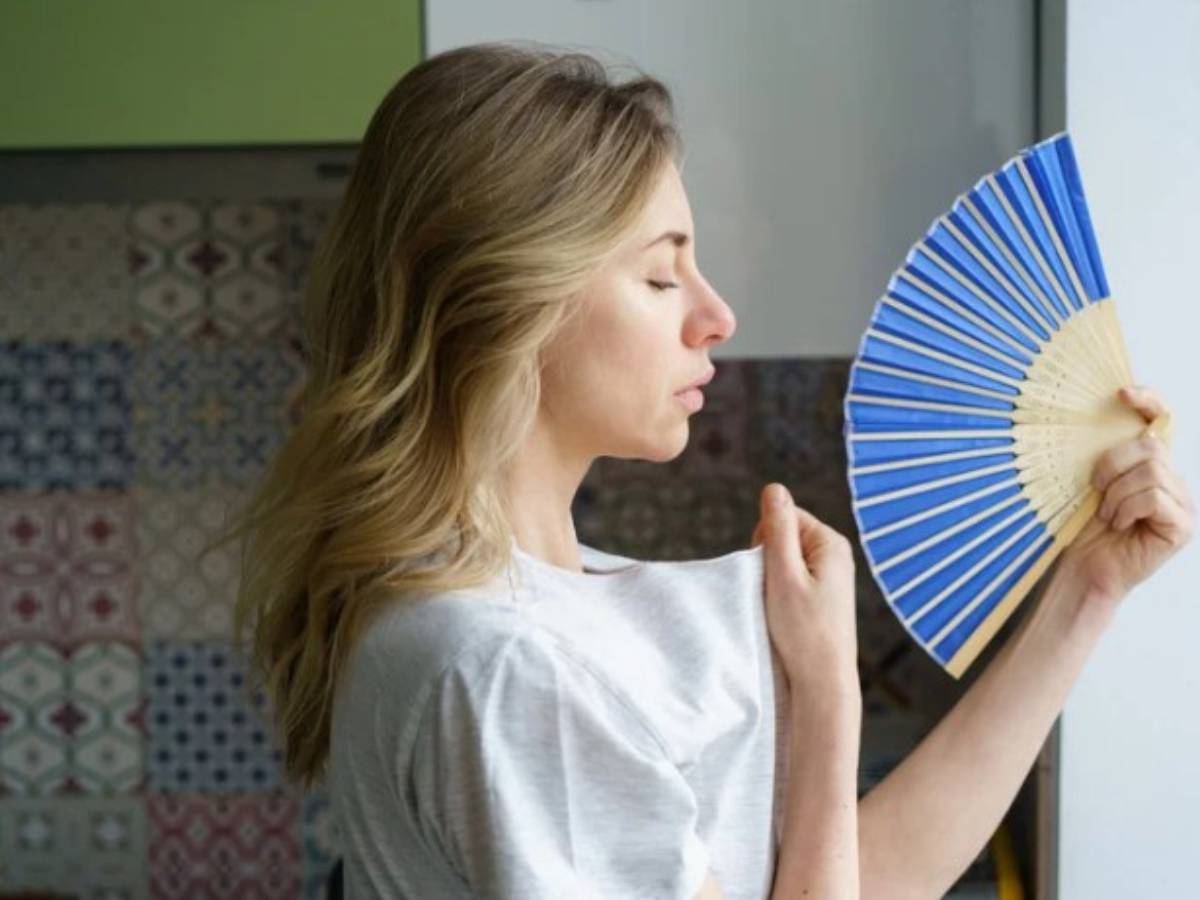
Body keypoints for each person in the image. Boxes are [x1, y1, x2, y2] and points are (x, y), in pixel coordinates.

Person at [220, 41, 1195, 899]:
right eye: (659, 274)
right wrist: (825, 700)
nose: (715, 313)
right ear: (510, 304)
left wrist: (1086, 590)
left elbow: (866, 874)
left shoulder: (524, 614)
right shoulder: (512, 669)